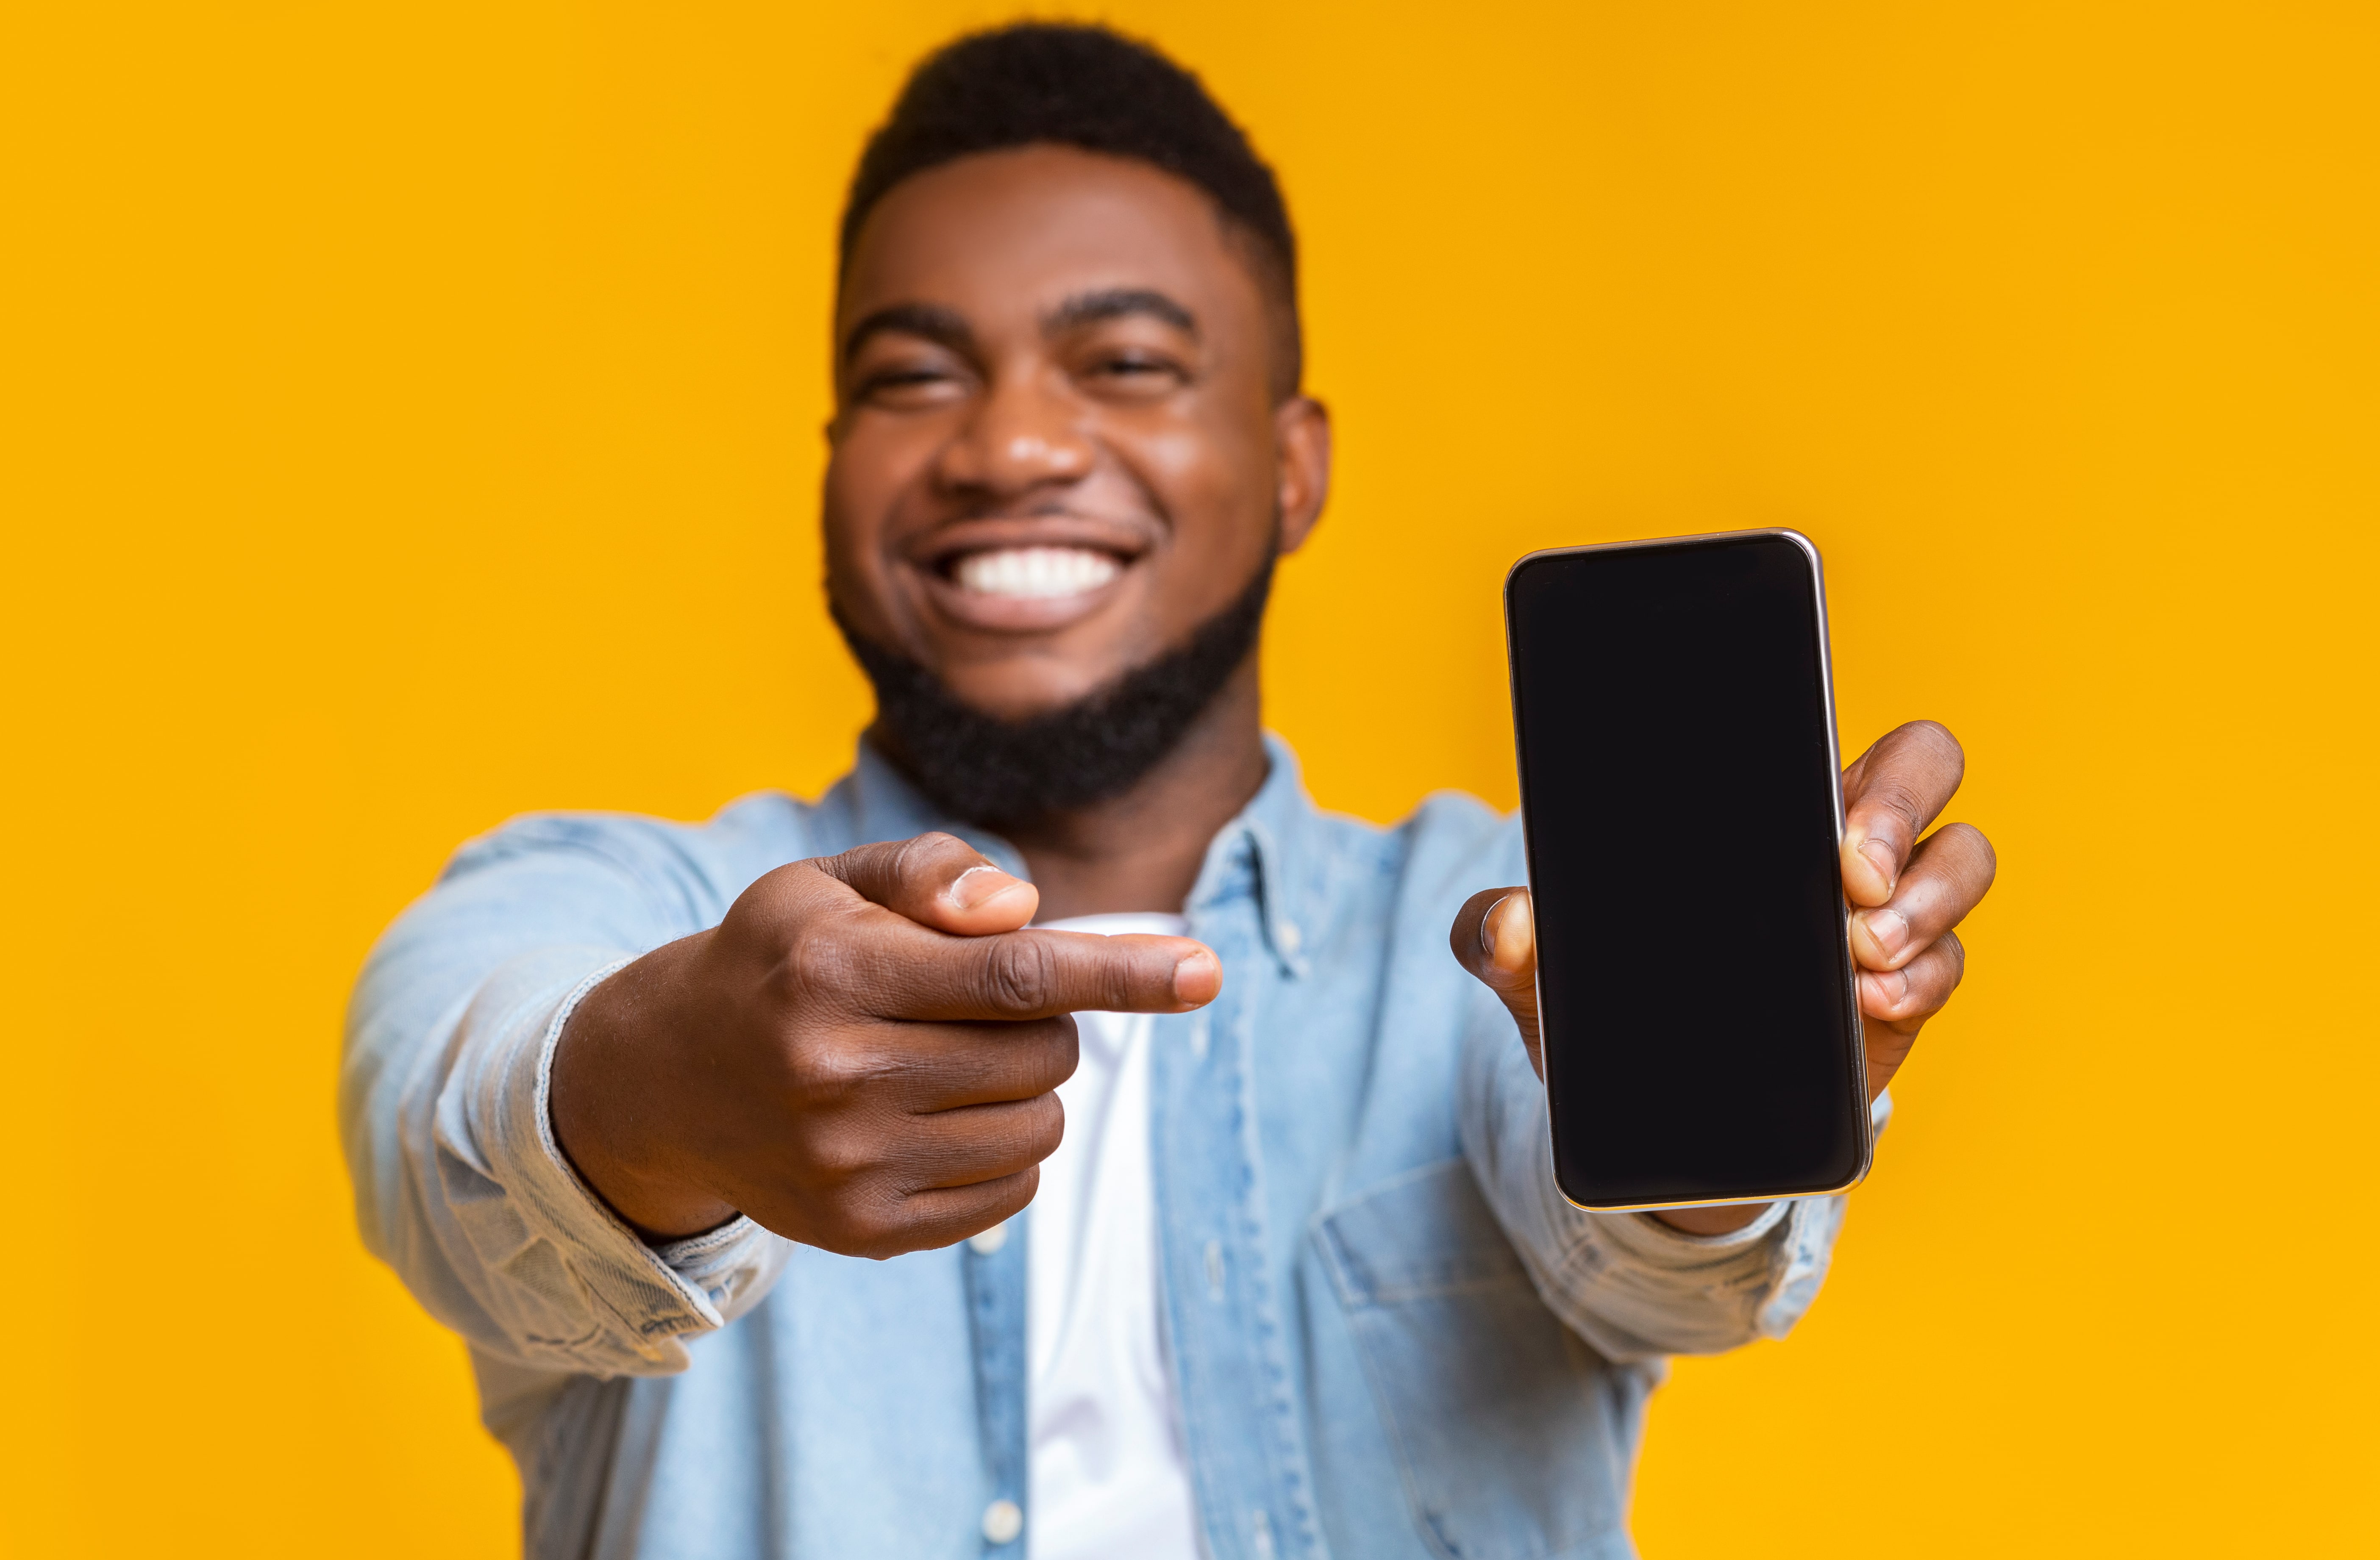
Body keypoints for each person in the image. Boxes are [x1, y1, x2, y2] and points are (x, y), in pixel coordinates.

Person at [342, 22, 1996, 1560]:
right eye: (916, 376)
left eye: (1121, 361)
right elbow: (449, 1120)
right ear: (834, 453)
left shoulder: (1500, 935)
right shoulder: (617, 911)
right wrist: (681, 1093)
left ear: (1293, 470)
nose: (1007, 446)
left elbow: (1671, 1270)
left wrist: (1730, 1068)